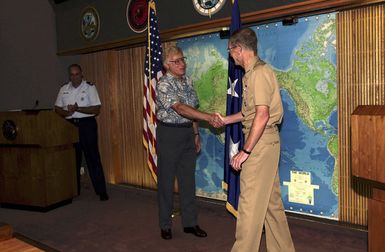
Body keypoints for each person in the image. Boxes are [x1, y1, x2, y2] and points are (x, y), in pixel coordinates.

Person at [218, 28, 295, 251]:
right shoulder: (252, 73)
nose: (230, 55)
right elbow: (249, 112)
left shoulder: (259, 73)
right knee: (271, 205)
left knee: (249, 207)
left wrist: (246, 151)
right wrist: (225, 120)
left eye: (230, 50)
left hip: (260, 144)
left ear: (239, 49)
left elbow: (262, 115)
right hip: (264, 141)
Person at [156, 46, 222, 240]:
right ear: (167, 65)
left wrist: (195, 134)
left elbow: (191, 109)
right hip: (168, 134)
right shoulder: (163, 84)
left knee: (188, 181)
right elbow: (181, 109)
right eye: (176, 61)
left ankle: (190, 223)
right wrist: (209, 118)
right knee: (166, 182)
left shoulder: (188, 81)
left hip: (186, 134)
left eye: (182, 59)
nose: (182, 64)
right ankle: (165, 225)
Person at [55, 64, 109, 202]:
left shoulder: (89, 87)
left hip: (87, 125)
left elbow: (96, 109)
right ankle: (73, 191)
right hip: (70, 125)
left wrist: (78, 109)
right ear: (69, 76)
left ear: (81, 74)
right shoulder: (63, 89)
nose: (75, 77)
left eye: (77, 74)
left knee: (93, 158)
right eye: (72, 75)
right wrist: (67, 112)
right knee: (73, 160)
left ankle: (101, 191)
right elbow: (57, 108)